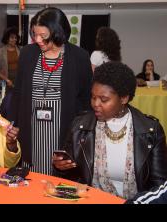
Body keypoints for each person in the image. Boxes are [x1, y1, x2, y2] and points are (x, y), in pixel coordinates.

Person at [52, 61, 167, 199]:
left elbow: (159, 186)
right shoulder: (80, 126)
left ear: (124, 98)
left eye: (104, 99)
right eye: (93, 97)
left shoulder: (150, 131)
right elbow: (72, 179)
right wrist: (62, 168)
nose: (95, 104)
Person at [11, 7, 93, 175]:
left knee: (58, 179)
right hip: (31, 127)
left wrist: (82, 136)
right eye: (35, 34)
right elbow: (18, 92)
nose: (38, 39)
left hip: (63, 129)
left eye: (43, 36)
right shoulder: (27, 54)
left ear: (58, 33)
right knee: (31, 177)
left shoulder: (79, 57)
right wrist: (12, 123)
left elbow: (86, 99)